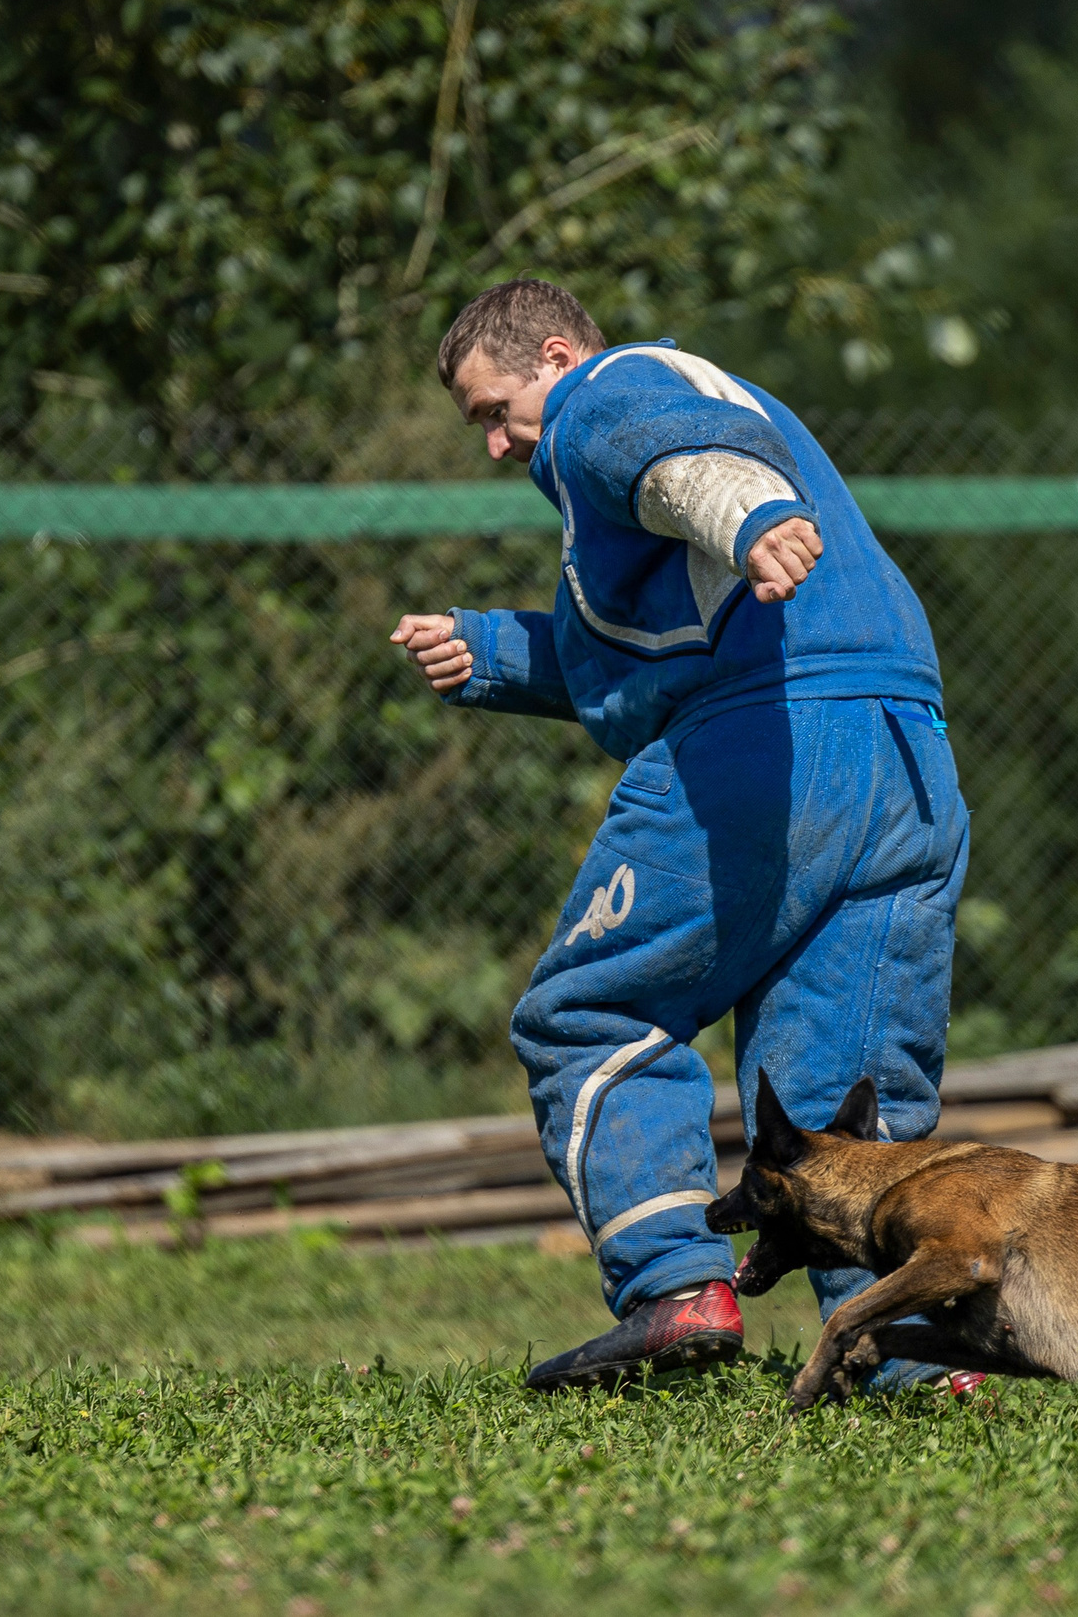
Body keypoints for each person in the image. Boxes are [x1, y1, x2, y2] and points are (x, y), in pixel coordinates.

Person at [390, 278, 974, 1394]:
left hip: (765, 748)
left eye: (494, 410)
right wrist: (490, 654)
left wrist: (752, 520)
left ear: (556, 355)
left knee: (589, 1012)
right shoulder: (632, 478)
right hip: (902, 752)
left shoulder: (611, 391)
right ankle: (907, 1342)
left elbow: (689, 456)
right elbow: (650, 643)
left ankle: (675, 1284)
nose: (497, 444)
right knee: (839, 1083)